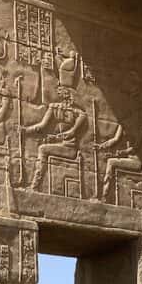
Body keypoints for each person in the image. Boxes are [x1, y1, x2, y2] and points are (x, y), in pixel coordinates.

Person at [22, 56, 87, 191]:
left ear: (68, 94)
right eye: (60, 90)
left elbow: (71, 133)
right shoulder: (54, 107)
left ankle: (35, 186)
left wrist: (58, 137)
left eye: (62, 91)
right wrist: (26, 130)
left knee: (42, 149)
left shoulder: (79, 113)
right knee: (42, 146)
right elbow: (42, 125)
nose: (59, 92)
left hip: (70, 148)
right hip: (60, 143)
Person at [98, 123, 142, 203]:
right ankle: (105, 193)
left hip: (137, 161)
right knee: (109, 160)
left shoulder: (140, 127)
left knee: (111, 162)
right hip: (128, 158)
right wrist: (101, 146)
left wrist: (123, 152)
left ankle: (105, 194)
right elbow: (115, 139)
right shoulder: (123, 124)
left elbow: (135, 148)